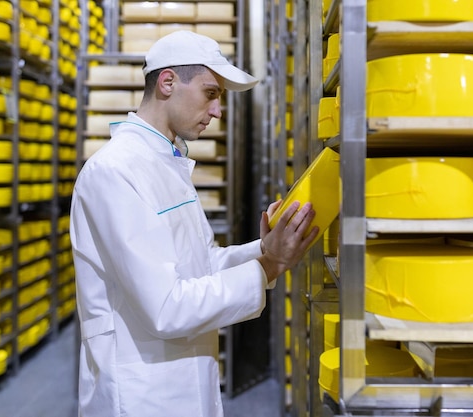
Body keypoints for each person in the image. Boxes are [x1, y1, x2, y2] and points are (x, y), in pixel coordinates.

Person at [69, 30, 318, 417]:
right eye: (211, 93)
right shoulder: (114, 172)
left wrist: (264, 250)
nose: (218, 112)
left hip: (182, 381)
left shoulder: (166, 164)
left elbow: (200, 262)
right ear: (168, 82)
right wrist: (270, 266)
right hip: (140, 396)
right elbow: (167, 307)